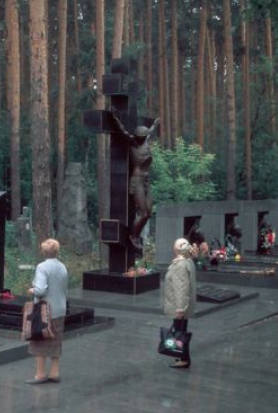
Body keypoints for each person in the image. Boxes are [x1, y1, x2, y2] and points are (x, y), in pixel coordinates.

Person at [109, 111, 160, 252]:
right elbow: (123, 131)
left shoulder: (146, 139)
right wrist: (115, 118)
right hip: (136, 179)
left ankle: (136, 235)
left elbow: (150, 131)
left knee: (149, 212)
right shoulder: (132, 143)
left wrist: (155, 124)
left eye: (144, 137)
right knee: (144, 212)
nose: (143, 139)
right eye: (141, 137)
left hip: (146, 179)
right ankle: (133, 236)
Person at [26, 238, 68, 384]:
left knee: (39, 341)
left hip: (45, 310)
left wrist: (32, 290)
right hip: (60, 308)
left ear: (43, 252)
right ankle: (54, 373)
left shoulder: (42, 267)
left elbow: (41, 290)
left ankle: (40, 374)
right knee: (56, 340)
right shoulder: (62, 266)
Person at [163, 237, 197, 369]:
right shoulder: (188, 261)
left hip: (180, 307)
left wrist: (180, 308)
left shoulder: (180, 265)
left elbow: (181, 288)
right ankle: (182, 357)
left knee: (180, 333)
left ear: (177, 250)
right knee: (181, 332)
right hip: (183, 306)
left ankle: (184, 359)